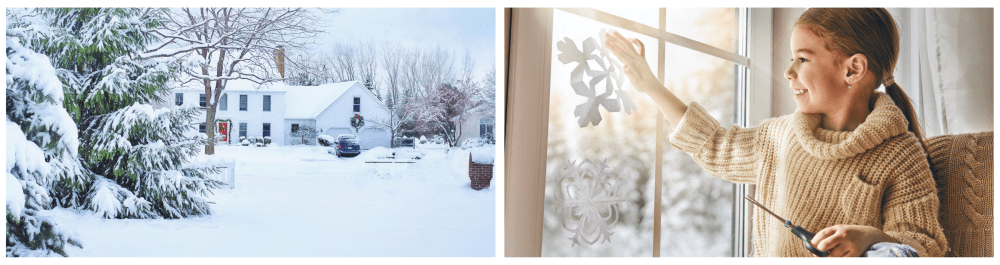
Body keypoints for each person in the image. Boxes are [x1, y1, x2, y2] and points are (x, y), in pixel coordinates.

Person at [604, 8, 947, 257]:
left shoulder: (902, 155)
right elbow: (713, 144)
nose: (788, 71)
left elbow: (924, 244)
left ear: (853, 69)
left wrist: (870, 239)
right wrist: (649, 86)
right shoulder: (779, 137)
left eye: (802, 59)